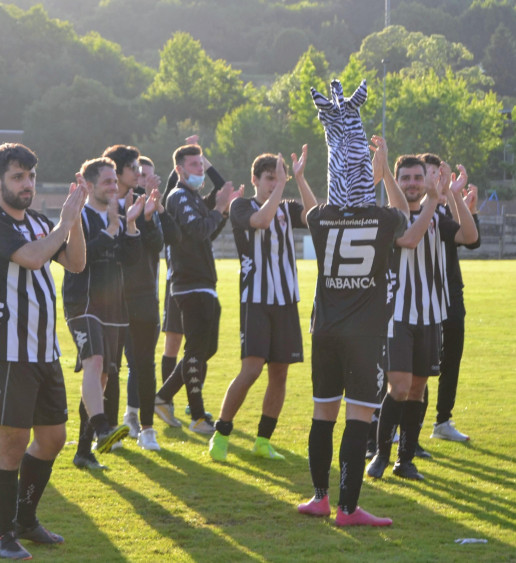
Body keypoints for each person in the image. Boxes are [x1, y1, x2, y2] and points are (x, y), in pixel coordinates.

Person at [297, 82, 428, 526]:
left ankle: (318, 495)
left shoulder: (320, 218)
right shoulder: (381, 217)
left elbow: (314, 208)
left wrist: (303, 178)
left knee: (322, 413)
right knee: (358, 417)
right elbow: (404, 216)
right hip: (365, 334)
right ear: (363, 175)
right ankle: (348, 508)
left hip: (325, 330)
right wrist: (385, 169)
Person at [0, 143, 86, 559]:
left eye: (31, 177)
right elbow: (33, 259)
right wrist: (65, 224)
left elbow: (74, 263)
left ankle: (26, 519)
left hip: (44, 352)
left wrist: (74, 223)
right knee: (12, 442)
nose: (27, 185)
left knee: (54, 438)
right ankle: (4, 534)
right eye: (18, 177)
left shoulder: (40, 222)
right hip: (7, 351)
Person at [366, 153, 478, 481]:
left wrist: (452, 194)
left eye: (419, 178)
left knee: (416, 390)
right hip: (397, 315)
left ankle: (406, 461)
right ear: (397, 182)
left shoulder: (439, 213)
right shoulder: (391, 216)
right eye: (407, 179)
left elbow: (470, 238)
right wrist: (433, 197)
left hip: (431, 316)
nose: (414, 184)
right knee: (398, 387)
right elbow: (410, 240)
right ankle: (382, 455)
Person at [210, 148, 316, 461]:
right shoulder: (241, 205)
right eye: (270, 178)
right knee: (252, 369)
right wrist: (282, 186)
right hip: (255, 300)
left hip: (285, 301)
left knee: (279, 373)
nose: (275, 183)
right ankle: (222, 432)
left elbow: (315, 217)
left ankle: (263, 440)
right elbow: (261, 220)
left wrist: (299, 178)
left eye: (277, 177)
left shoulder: (286, 206)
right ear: (255, 179)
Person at [152, 144, 241, 434]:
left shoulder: (190, 196)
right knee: (195, 349)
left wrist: (222, 211)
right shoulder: (178, 196)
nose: (199, 170)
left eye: (201, 165)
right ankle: (199, 417)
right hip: (189, 284)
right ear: (178, 170)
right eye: (193, 165)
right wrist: (218, 207)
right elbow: (201, 230)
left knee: (205, 348)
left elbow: (207, 234)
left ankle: (163, 397)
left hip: (203, 282)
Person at [64, 157, 144, 470]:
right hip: (82, 303)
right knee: (94, 363)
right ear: (90, 185)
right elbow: (80, 257)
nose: (115, 187)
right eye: (108, 182)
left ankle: (84, 452)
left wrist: (132, 224)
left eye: (115, 181)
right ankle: (102, 428)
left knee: (104, 375)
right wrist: (112, 228)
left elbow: (132, 259)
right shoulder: (79, 216)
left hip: (114, 306)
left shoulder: (119, 215)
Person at [101, 146, 173, 451]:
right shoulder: (105, 206)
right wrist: (125, 221)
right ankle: (112, 432)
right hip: (113, 299)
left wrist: (146, 217)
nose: (138, 172)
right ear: (117, 172)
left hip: (144, 298)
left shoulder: (144, 202)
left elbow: (157, 245)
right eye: (132, 167)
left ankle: (147, 430)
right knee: (112, 368)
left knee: (144, 365)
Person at [417, 154, 481, 443]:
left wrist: (459, 200)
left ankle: (442, 421)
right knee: (420, 365)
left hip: (452, 296)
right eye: (431, 174)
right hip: (422, 298)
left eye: (440, 173)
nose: (437, 179)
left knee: (450, 361)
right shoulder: (418, 213)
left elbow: (473, 240)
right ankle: (406, 424)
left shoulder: (445, 212)